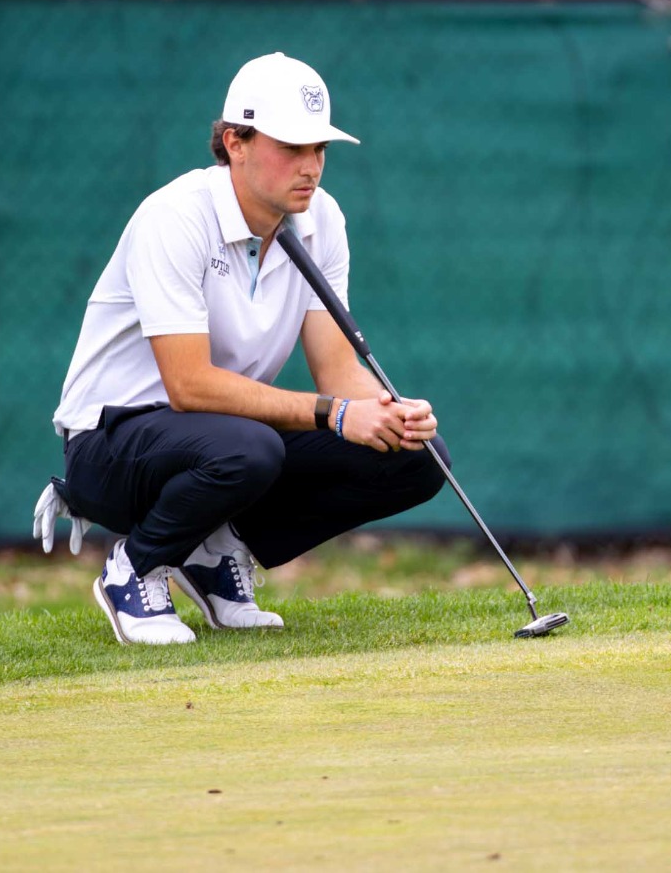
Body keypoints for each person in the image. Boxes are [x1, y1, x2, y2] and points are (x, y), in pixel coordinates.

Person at [34, 52, 445, 644]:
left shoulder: (322, 220)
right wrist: (334, 414)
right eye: (292, 148)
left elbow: (336, 369)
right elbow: (189, 385)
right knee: (248, 449)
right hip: (110, 445)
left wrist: (388, 409)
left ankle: (214, 553)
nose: (311, 168)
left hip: (222, 435)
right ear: (235, 143)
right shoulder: (175, 216)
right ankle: (137, 567)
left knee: (413, 457)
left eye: (320, 150)